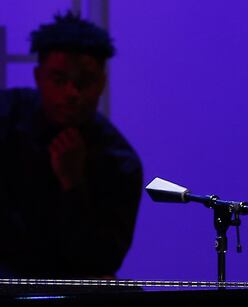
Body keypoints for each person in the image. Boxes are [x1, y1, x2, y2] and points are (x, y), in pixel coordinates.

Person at [0, 12, 142, 278]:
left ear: (102, 82)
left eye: (84, 82)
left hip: (74, 297)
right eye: (59, 80)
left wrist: (73, 185)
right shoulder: (6, 119)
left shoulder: (118, 161)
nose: (71, 93)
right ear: (39, 77)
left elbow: (102, 261)